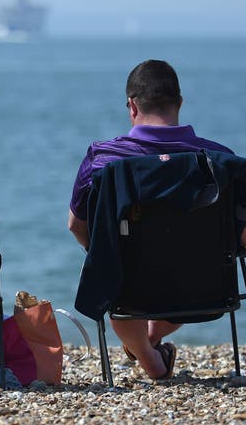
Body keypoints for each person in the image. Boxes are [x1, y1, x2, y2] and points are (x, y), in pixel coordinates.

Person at [68, 59, 242, 380]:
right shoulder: (222, 163)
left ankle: (149, 358)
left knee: (115, 268)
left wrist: (105, 251)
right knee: (184, 270)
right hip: (205, 289)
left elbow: (76, 225)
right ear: (179, 103)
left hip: (126, 289)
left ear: (132, 106)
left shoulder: (103, 161)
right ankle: (151, 350)